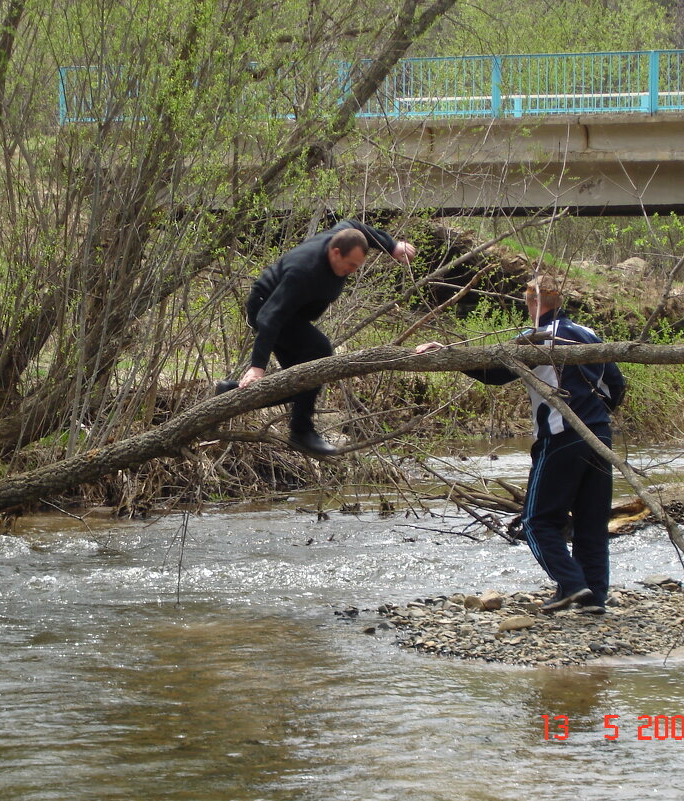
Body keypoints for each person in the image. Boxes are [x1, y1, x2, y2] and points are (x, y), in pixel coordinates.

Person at [416, 274, 625, 614]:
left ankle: (573, 585)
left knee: (536, 522)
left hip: (560, 436)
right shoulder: (588, 334)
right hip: (599, 436)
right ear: (562, 300)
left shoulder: (537, 338)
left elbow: (493, 373)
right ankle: (593, 597)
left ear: (532, 303)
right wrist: (596, 416)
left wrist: (447, 352)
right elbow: (616, 385)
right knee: (591, 522)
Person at [219, 219, 416, 457]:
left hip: (289, 316)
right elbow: (269, 318)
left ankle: (230, 392)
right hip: (267, 310)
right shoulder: (304, 271)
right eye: (350, 265)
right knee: (319, 352)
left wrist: (392, 246)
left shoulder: (342, 236)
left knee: (301, 384)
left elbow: (357, 226)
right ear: (335, 253)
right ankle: (301, 432)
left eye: (357, 266)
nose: (353, 270)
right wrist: (257, 367)